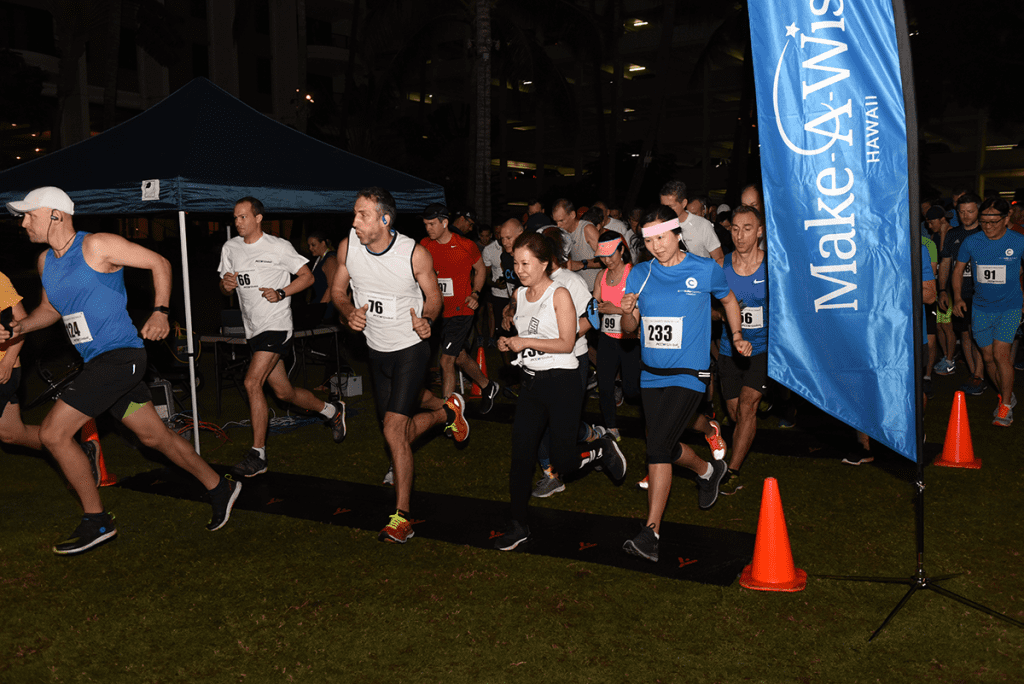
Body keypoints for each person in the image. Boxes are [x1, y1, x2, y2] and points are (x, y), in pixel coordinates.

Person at [4, 186, 240, 555]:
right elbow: (49, 311)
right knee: (154, 438)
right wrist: (20, 328)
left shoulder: (96, 245)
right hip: (98, 362)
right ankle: (219, 485)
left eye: (28, 215)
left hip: (121, 358)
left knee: (53, 434)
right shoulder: (46, 262)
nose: (23, 223)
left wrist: (161, 311)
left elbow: (160, 263)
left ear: (54, 214)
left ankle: (96, 520)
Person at [332, 187, 469, 543]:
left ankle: (402, 518)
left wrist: (427, 319)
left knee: (394, 430)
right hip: (377, 351)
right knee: (401, 432)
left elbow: (434, 298)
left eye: (362, 214)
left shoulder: (414, 254)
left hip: (411, 347)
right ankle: (446, 412)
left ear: (384, 219)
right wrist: (349, 313)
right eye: (355, 213)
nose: (355, 221)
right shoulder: (349, 246)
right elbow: (337, 292)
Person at [619, 206, 751, 562]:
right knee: (664, 440)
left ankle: (651, 532)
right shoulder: (640, 274)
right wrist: (628, 311)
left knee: (657, 446)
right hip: (652, 373)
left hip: (691, 373)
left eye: (660, 237)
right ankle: (709, 471)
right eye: (648, 240)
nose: (655, 246)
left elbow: (728, 300)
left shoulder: (705, 268)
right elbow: (629, 331)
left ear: (676, 234)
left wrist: (736, 334)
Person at [494, 232, 625, 551]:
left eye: (526, 263)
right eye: (516, 263)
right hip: (531, 382)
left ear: (543, 264)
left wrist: (525, 342)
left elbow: (567, 342)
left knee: (564, 460)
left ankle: (601, 449)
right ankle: (518, 525)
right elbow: (525, 333)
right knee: (521, 458)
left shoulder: (560, 294)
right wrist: (508, 342)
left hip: (563, 382)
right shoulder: (521, 296)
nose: (520, 269)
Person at [219, 197, 347, 478]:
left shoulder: (278, 246)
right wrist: (226, 285)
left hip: (277, 325)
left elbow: (307, 277)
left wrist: (281, 293)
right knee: (284, 393)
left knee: (252, 382)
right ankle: (331, 410)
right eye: (235, 218)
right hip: (253, 328)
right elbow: (226, 286)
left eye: (243, 217)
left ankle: (258, 454)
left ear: (258, 218)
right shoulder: (231, 248)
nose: (238, 222)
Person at [420, 203, 500, 412]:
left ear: (444, 222)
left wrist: (475, 293)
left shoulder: (466, 245)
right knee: (459, 357)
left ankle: (449, 414)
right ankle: (487, 386)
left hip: (461, 311)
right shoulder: (425, 245)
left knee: (446, 361)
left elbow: (481, 270)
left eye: (431, 224)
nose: (428, 228)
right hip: (437, 312)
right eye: (425, 224)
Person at [953, 198, 1024, 426]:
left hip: (1010, 307)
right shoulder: (972, 242)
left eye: (994, 222)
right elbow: (958, 270)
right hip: (981, 308)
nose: (988, 226)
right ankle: (1007, 394)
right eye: (984, 222)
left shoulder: (1019, 241)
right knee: (987, 358)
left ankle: (1004, 407)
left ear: (1006, 218)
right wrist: (956, 297)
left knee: (1001, 354)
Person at [715, 206, 768, 493]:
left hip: (762, 349)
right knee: (736, 413)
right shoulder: (722, 266)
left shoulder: (771, 268)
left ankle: (731, 472)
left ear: (759, 231)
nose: (740, 235)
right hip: (729, 349)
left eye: (747, 228)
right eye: (735, 228)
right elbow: (711, 308)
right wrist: (725, 313)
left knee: (747, 408)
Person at [592, 231, 640, 443]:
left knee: (632, 391)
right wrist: (592, 312)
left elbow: (642, 309)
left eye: (611, 254)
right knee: (604, 386)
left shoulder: (633, 274)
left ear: (622, 251)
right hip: (607, 339)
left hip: (629, 340)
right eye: (603, 256)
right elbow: (594, 303)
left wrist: (615, 309)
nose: (607, 260)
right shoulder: (601, 276)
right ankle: (611, 428)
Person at [939, 194, 984, 395]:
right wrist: (942, 290)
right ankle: (975, 373)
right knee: (964, 333)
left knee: (978, 334)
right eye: (962, 212)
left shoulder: (986, 233)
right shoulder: (952, 234)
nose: (965, 216)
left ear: (979, 211)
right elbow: (946, 264)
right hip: (959, 293)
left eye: (970, 211)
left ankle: (979, 375)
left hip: (981, 294)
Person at [0, 269, 43, 452]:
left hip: (3, 369)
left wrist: (8, 360)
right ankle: (72, 447)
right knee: (12, 433)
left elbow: (22, 322)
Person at [659, 180, 725, 266]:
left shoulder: (703, 225)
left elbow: (719, 259)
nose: (665, 211)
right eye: (663, 206)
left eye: (670, 207)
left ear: (683, 203)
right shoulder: (659, 226)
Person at [927, 205, 957, 375]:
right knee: (938, 326)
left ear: (942, 220)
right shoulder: (935, 235)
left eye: (932, 222)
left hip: (949, 288)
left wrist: (945, 232)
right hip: (938, 286)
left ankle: (950, 360)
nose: (929, 226)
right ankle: (946, 357)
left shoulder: (952, 233)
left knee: (947, 326)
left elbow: (943, 254)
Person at [551, 198, 601, 290]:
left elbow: (606, 259)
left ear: (572, 215)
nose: (558, 225)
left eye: (561, 221)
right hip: (576, 290)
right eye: (556, 222)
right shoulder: (560, 234)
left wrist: (582, 264)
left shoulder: (587, 229)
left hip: (594, 290)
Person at [306, 229, 338, 324]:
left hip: (327, 308)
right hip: (321, 305)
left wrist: (319, 309)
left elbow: (332, 287)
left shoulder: (330, 259)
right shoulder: (319, 259)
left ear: (323, 243)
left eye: (313, 245)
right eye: (309, 246)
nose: (310, 248)